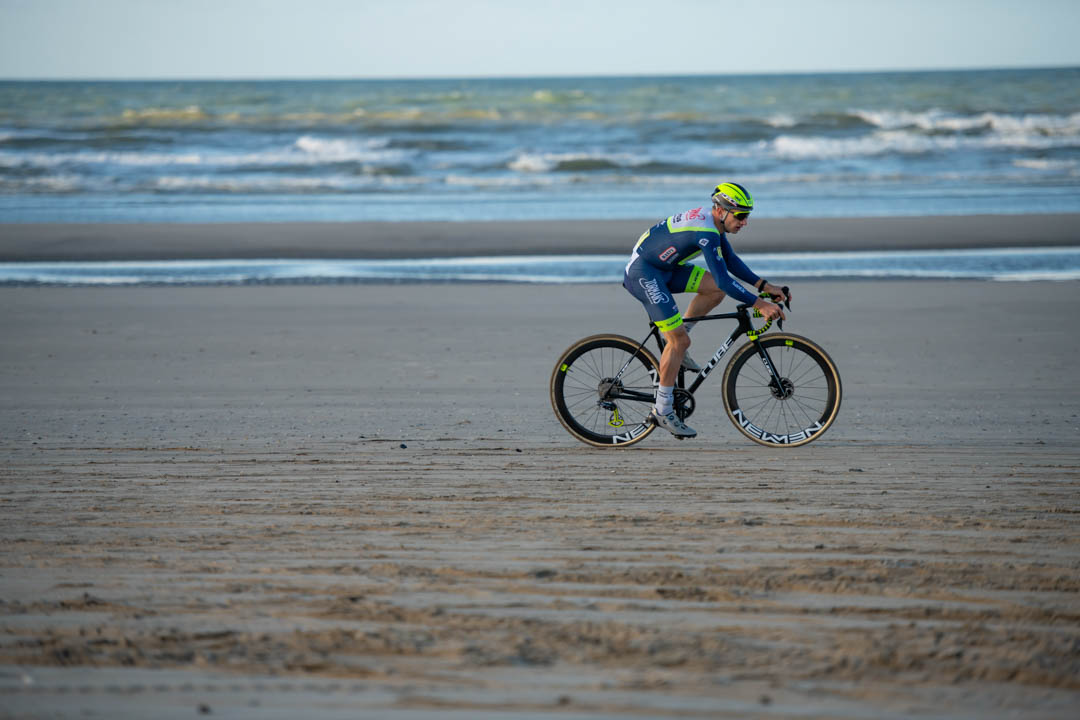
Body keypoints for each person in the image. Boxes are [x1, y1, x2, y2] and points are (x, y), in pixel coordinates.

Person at [623, 182, 790, 439]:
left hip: (666, 269)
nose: (745, 222)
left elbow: (730, 261)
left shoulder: (714, 224)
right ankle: (662, 410)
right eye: (741, 215)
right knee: (679, 339)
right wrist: (760, 304)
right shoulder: (706, 231)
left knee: (714, 291)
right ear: (722, 210)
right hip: (644, 273)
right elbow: (726, 278)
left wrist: (764, 286)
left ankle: (679, 345)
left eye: (748, 215)